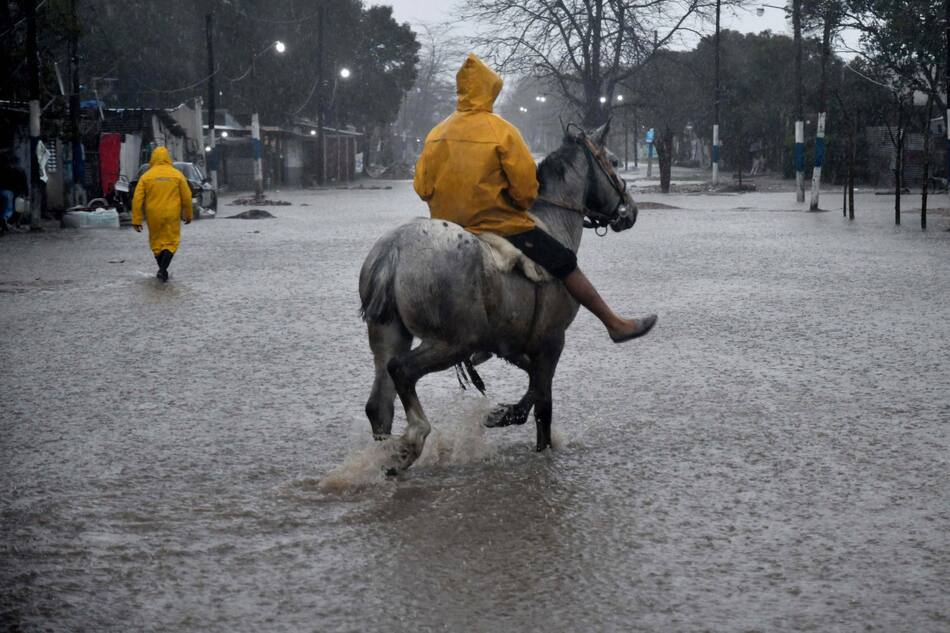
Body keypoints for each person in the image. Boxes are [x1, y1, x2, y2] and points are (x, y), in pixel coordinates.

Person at [412, 54, 656, 343]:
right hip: (498, 224)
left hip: (446, 227)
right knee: (565, 262)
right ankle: (614, 323)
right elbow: (527, 190)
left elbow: (422, 187)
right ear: (490, 90)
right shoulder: (502, 131)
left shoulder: (436, 134)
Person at [131, 146, 193, 281]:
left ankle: (162, 272)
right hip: (172, 214)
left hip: (153, 214)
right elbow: (187, 197)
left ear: (152, 158)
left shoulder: (146, 177)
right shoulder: (177, 175)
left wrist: (136, 219)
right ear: (168, 158)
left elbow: (137, 199)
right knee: (171, 242)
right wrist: (188, 214)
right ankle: (163, 270)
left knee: (157, 243)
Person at [0, 152, 28, 234]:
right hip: (14, 192)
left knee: (3, 208)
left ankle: (5, 224)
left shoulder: (3, 168)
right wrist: (26, 194)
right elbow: (24, 183)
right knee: (12, 210)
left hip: (2, 190)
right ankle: (6, 220)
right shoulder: (20, 169)